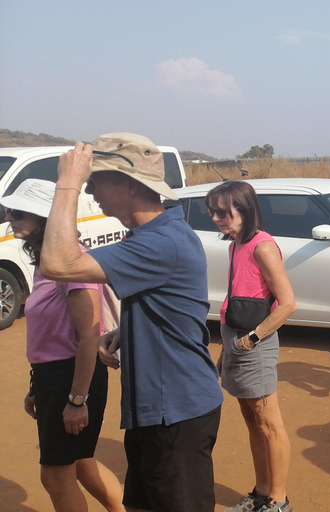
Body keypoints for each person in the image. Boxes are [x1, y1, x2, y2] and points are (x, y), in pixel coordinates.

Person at [40, 133, 224, 512]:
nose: (90, 189)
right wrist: (126, 332)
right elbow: (173, 306)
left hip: (176, 411)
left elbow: (58, 263)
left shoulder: (160, 242)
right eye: (87, 180)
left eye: (96, 179)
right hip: (158, 408)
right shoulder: (155, 235)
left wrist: (68, 183)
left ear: (129, 184)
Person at [1, 179, 124, 512]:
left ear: (46, 220)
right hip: (54, 377)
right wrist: (35, 387)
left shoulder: (71, 265)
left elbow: (89, 334)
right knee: (81, 463)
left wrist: (76, 400)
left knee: (55, 477)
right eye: (9, 211)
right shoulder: (48, 263)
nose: (10, 218)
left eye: (18, 213)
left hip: (73, 378)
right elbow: (48, 338)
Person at [206, 181, 297, 512]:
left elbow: (287, 304)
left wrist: (254, 338)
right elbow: (235, 298)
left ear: (244, 210)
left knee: (269, 423)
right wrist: (225, 349)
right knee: (252, 420)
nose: (216, 218)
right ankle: (261, 492)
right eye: (212, 211)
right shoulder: (235, 245)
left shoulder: (262, 247)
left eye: (222, 211)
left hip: (254, 345)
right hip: (236, 340)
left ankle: (278, 499)